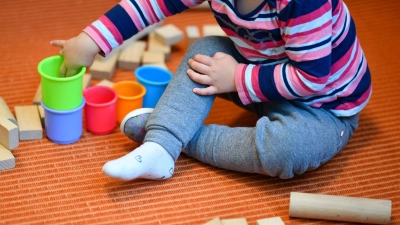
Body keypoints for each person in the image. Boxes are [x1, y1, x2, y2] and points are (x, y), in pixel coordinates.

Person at [51, 0, 371, 180]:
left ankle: (176, 136)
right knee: (204, 51)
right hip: (258, 73)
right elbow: (151, 5)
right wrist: (91, 40)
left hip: (325, 107)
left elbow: (313, 78)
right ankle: (161, 147)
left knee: (285, 150)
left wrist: (237, 78)